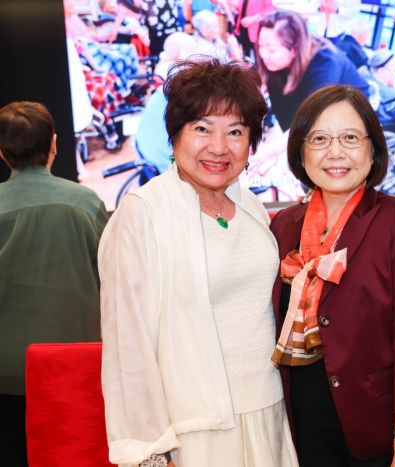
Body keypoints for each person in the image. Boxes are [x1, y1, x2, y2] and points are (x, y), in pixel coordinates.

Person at [99, 59, 298, 467]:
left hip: (269, 411)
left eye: (236, 131)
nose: (219, 147)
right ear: (175, 135)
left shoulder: (250, 205)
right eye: (202, 129)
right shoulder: (143, 212)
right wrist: (148, 451)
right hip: (195, 430)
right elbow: (127, 345)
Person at [270, 84, 395, 466]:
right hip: (301, 429)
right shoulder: (283, 225)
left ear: (372, 149)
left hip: (375, 431)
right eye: (319, 139)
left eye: (350, 138)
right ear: (300, 151)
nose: (335, 152)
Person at [0, 101, 107, 467]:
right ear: (55, 145)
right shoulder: (86, 202)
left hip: (6, 374)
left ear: (2, 151)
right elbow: (112, 281)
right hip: (74, 366)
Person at [255, 9, 370, 132]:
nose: (263, 55)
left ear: (294, 48)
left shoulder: (325, 64)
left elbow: (313, 122)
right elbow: (285, 115)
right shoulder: (276, 66)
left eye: (271, 50)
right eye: (260, 46)